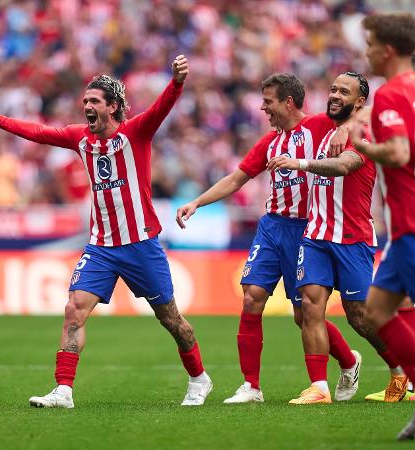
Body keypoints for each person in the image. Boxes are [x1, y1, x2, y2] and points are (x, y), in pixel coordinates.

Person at [0, 55, 213, 408]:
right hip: (100, 247)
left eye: (94, 101)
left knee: (171, 319)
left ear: (113, 107)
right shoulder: (79, 138)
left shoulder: (136, 133)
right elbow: (39, 132)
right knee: (73, 310)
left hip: (140, 243)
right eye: (85, 101)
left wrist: (176, 82)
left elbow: (162, 108)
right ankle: (63, 390)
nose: (86, 105)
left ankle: (199, 378)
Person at [176, 73, 356, 404]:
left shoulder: (320, 125)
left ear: (288, 102)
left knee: (305, 316)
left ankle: (349, 361)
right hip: (272, 227)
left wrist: (346, 127)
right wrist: (197, 202)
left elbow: (359, 113)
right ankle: (251, 386)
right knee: (251, 297)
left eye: (268, 101)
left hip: (307, 231)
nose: (263, 108)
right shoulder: (270, 142)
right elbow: (235, 179)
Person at [269, 72, 385, 404]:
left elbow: (345, 166)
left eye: (343, 92)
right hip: (316, 235)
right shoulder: (324, 130)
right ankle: (318, 387)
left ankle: (400, 369)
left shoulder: (364, 132)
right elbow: (296, 118)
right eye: (332, 89)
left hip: (351, 237)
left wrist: (301, 163)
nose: (334, 95)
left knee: (359, 316)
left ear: (359, 102)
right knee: (309, 308)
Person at [347, 12, 415, 440]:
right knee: (377, 310)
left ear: (387, 50)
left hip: (410, 224)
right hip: (403, 230)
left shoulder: (391, 93)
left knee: (381, 312)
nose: (366, 51)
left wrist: (360, 143)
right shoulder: (407, 89)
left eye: (370, 44)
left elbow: (399, 153)